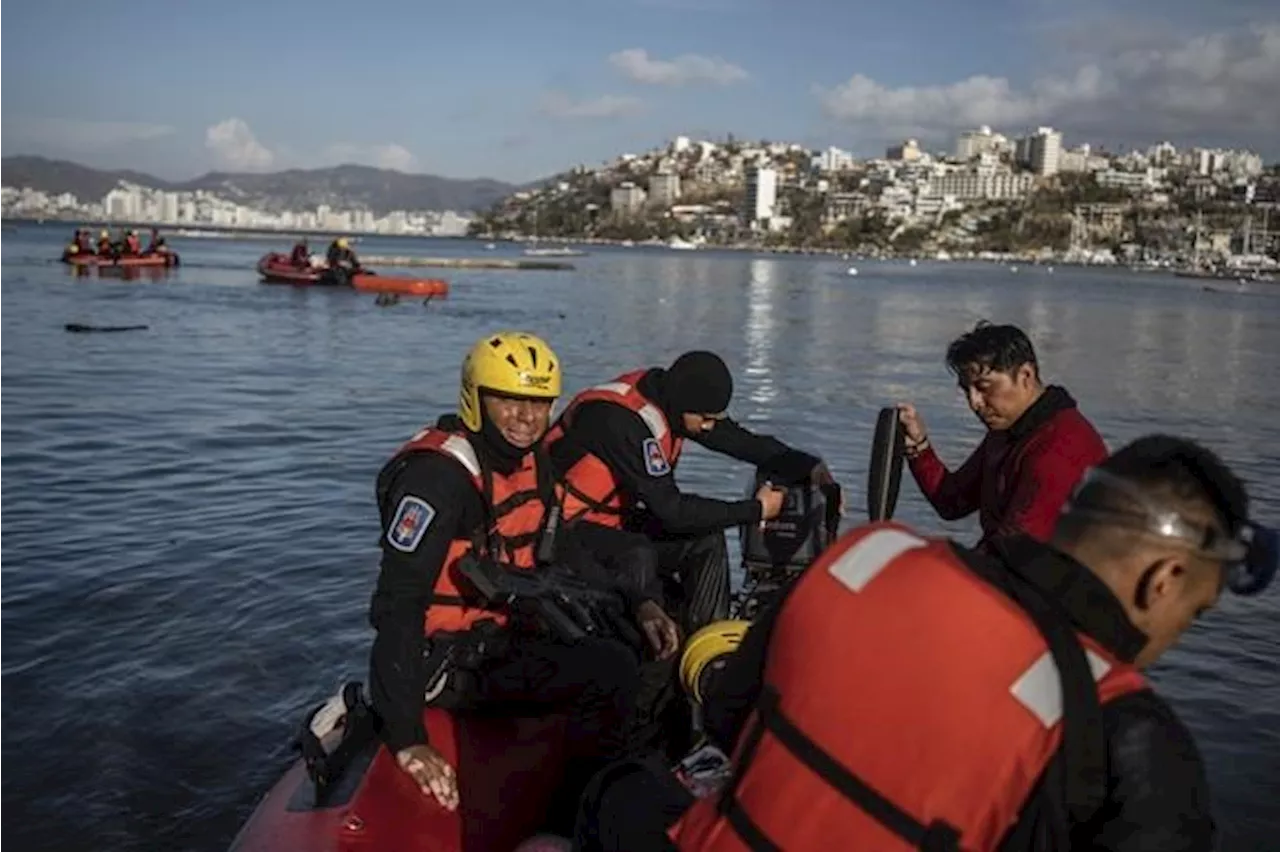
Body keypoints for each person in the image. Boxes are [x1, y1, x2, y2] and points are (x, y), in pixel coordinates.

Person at [576, 434, 1277, 852]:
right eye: (1196, 611)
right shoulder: (1129, 735)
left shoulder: (866, 557)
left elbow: (729, 719)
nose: (1175, 637)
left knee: (616, 792)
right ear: (1166, 579)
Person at [368, 330, 655, 830]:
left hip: (500, 629)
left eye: (540, 403)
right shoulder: (437, 480)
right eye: (509, 400)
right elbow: (397, 606)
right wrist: (408, 737)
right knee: (610, 670)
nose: (527, 417)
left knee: (624, 630)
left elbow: (552, 542)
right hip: (443, 657)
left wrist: (639, 600)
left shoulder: (531, 459)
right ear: (475, 399)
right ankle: (575, 817)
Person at [546, 350, 839, 636]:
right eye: (705, 418)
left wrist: (806, 465)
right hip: (561, 530)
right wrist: (756, 510)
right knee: (636, 552)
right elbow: (672, 512)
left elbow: (739, 441)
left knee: (706, 539)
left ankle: (710, 643)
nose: (710, 426)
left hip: (610, 521)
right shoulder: (620, 421)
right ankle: (648, 659)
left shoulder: (676, 403)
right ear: (680, 404)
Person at [898, 321, 1106, 554]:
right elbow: (952, 501)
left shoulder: (1061, 447)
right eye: (967, 390)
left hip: (1052, 584)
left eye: (984, 387)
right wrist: (918, 447)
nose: (974, 402)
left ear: (1026, 375)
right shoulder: (1008, 431)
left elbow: (1013, 554)